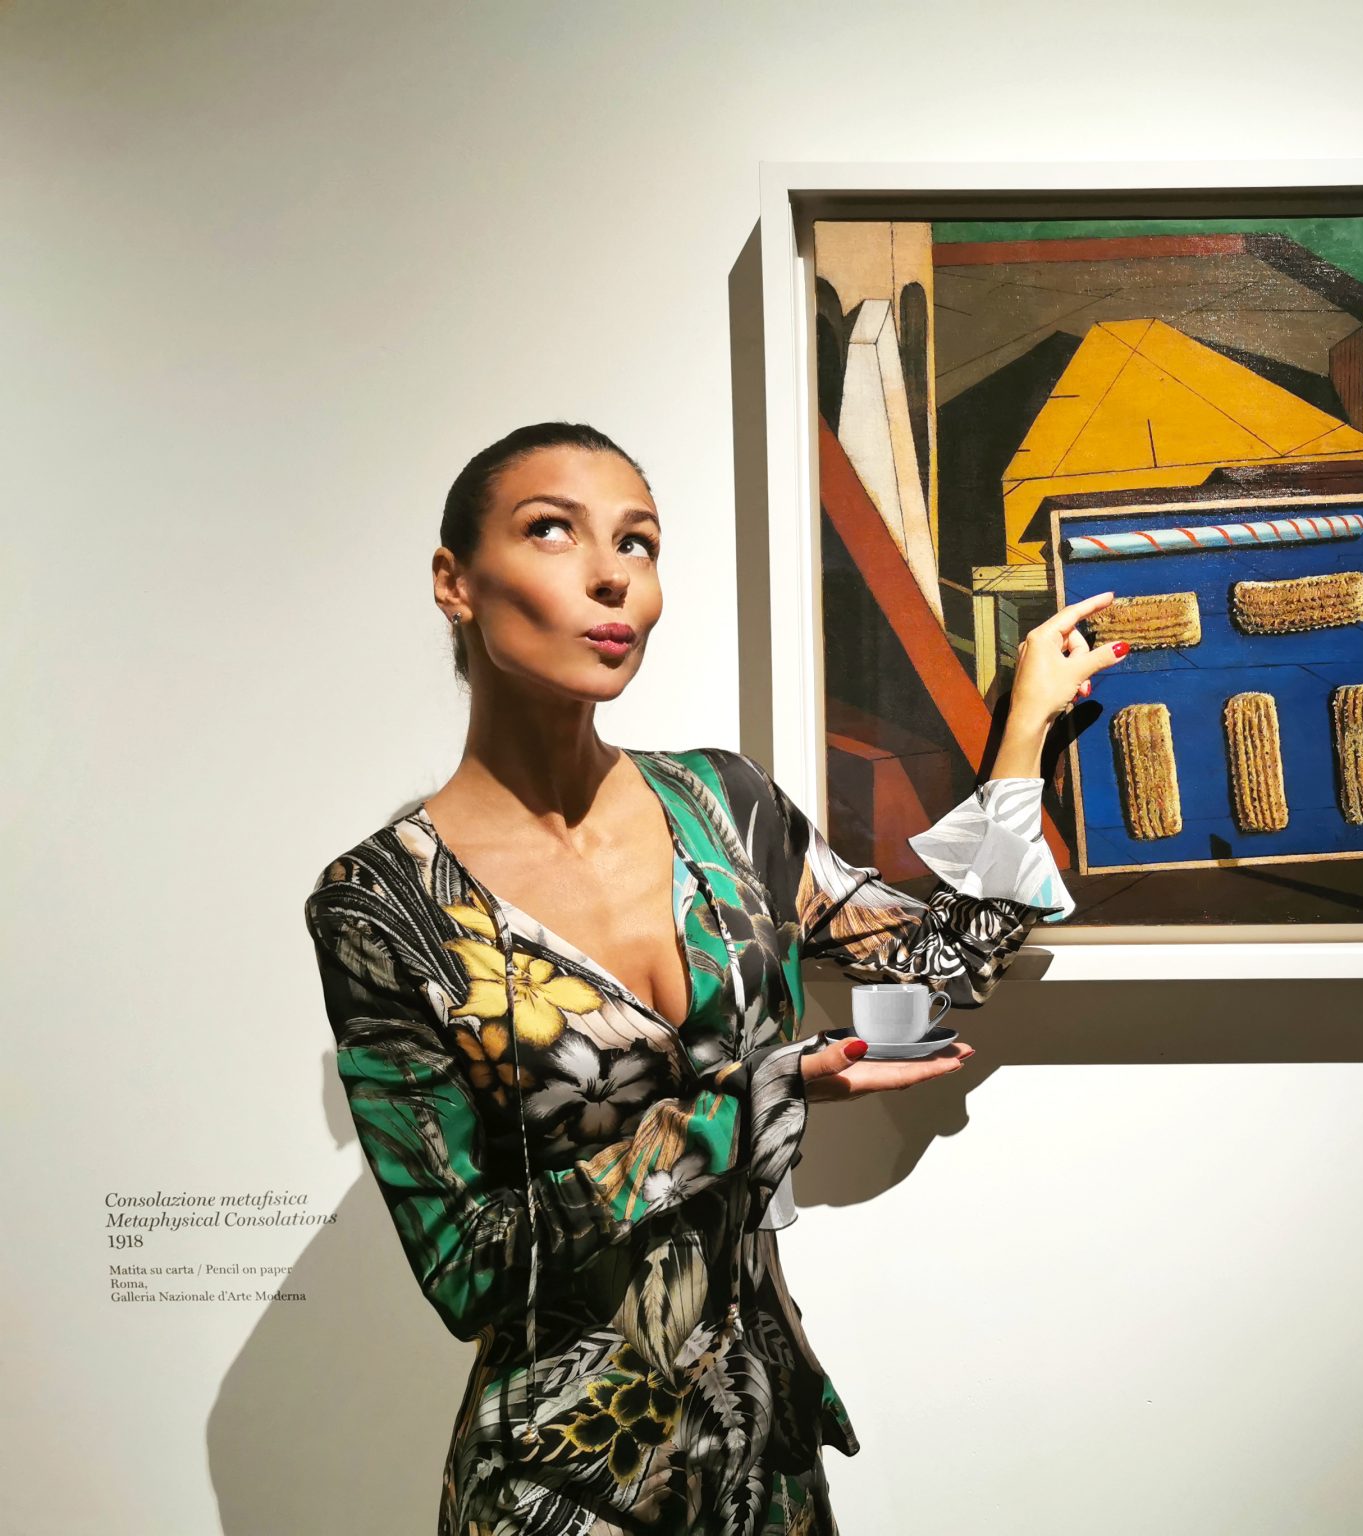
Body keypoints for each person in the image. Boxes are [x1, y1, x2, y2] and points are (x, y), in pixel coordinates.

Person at [302, 422, 1127, 1536]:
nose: (611, 576)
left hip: (761, 1460)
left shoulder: (726, 807)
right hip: (560, 1486)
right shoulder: (381, 904)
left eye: (637, 542)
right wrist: (752, 1104)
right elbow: (466, 1268)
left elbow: (939, 963)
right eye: (551, 531)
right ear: (455, 581)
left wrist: (1024, 730)